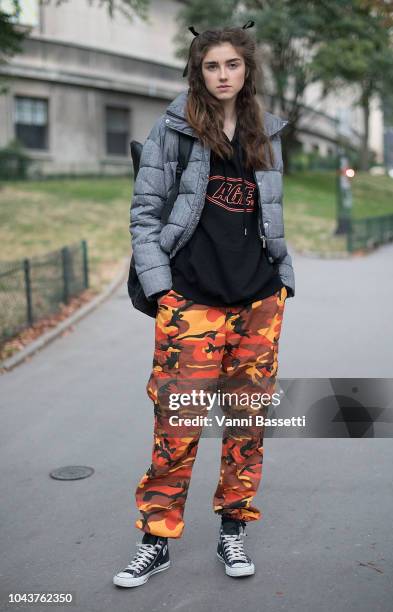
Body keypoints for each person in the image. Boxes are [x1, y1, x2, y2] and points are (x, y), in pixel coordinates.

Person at [113, 22, 295, 588]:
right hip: (191, 300)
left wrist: (283, 277)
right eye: (212, 66)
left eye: (232, 66)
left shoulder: (267, 130)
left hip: (259, 301)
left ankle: (232, 533)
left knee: (247, 427)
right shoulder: (173, 128)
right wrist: (162, 287)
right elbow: (145, 215)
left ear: (247, 70)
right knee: (177, 425)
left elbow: (272, 214)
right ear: (199, 70)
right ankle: (157, 542)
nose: (223, 75)